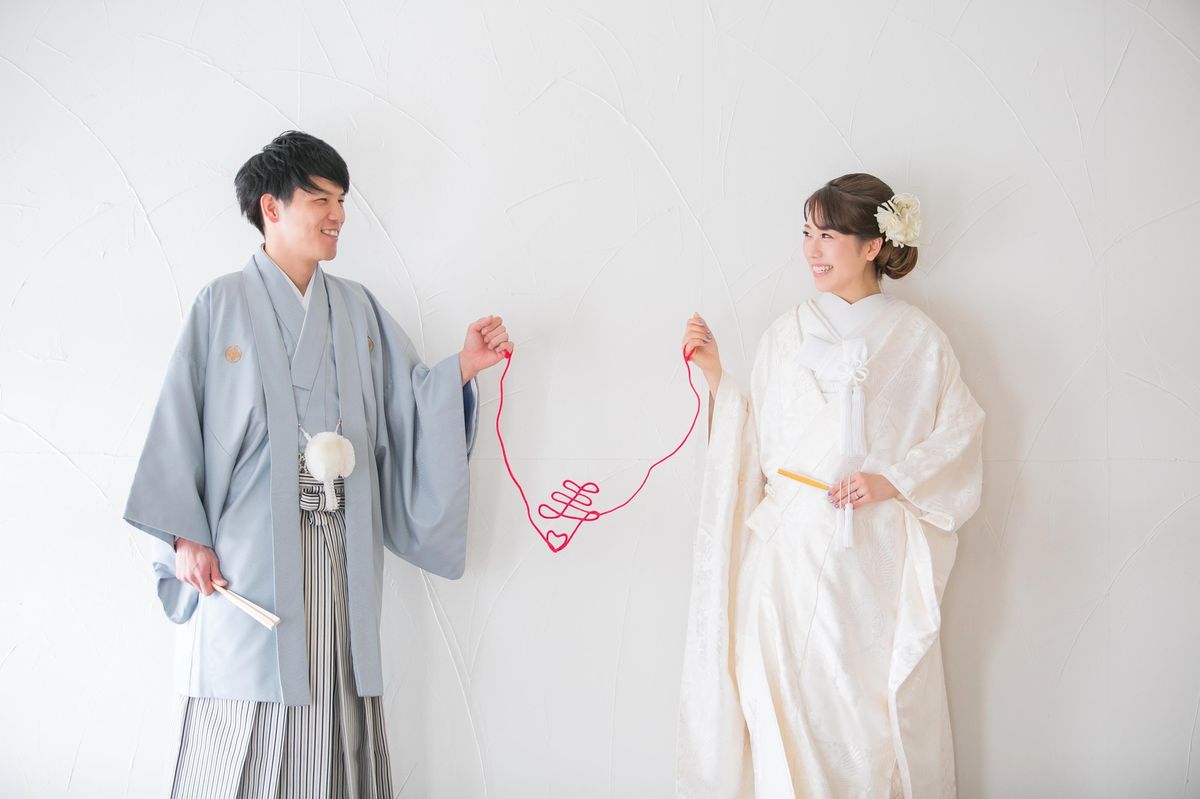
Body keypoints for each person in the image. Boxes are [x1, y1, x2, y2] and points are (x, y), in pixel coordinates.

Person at [123, 130, 511, 797]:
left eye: (341, 200)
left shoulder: (357, 309)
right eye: (321, 199)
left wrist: (461, 371)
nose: (338, 215)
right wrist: (186, 536)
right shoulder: (220, 305)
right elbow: (177, 425)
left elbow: (409, 403)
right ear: (271, 207)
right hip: (247, 559)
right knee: (245, 705)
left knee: (334, 700)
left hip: (339, 553)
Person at [676, 173, 984, 798]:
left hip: (870, 563)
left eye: (828, 236)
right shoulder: (783, 334)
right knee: (780, 714)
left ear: (873, 245)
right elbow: (754, 445)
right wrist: (716, 379)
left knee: (866, 720)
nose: (812, 250)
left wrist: (891, 480)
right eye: (807, 234)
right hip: (785, 560)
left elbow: (960, 433)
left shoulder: (920, 340)